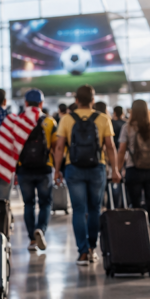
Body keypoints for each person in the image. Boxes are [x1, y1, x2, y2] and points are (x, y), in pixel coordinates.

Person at [53, 85, 119, 266]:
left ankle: (82, 252)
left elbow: (59, 147)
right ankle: (92, 248)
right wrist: (115, 170)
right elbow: (110, 146)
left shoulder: (67, 119)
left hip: (73, 168)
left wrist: (57, 170)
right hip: (97, 167)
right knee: (95, 210)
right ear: (93, 100)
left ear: (76, 100)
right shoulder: (103, 118)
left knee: (79, 210)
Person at [15, 90, 55, 252]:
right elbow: (56, 147)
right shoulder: (50, 122)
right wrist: (58, 169)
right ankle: (41, 229)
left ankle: (32, 239)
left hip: (24, 168)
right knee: (45, 202)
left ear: (25, 103)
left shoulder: (18, 121)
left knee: (28, 204)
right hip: (45, 168)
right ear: (41, 104)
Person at [116, 100, 150, 210]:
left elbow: (121, 151)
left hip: (133, 169)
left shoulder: (127, 128)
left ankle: (138, 226)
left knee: (135, 204)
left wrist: (118, 170)